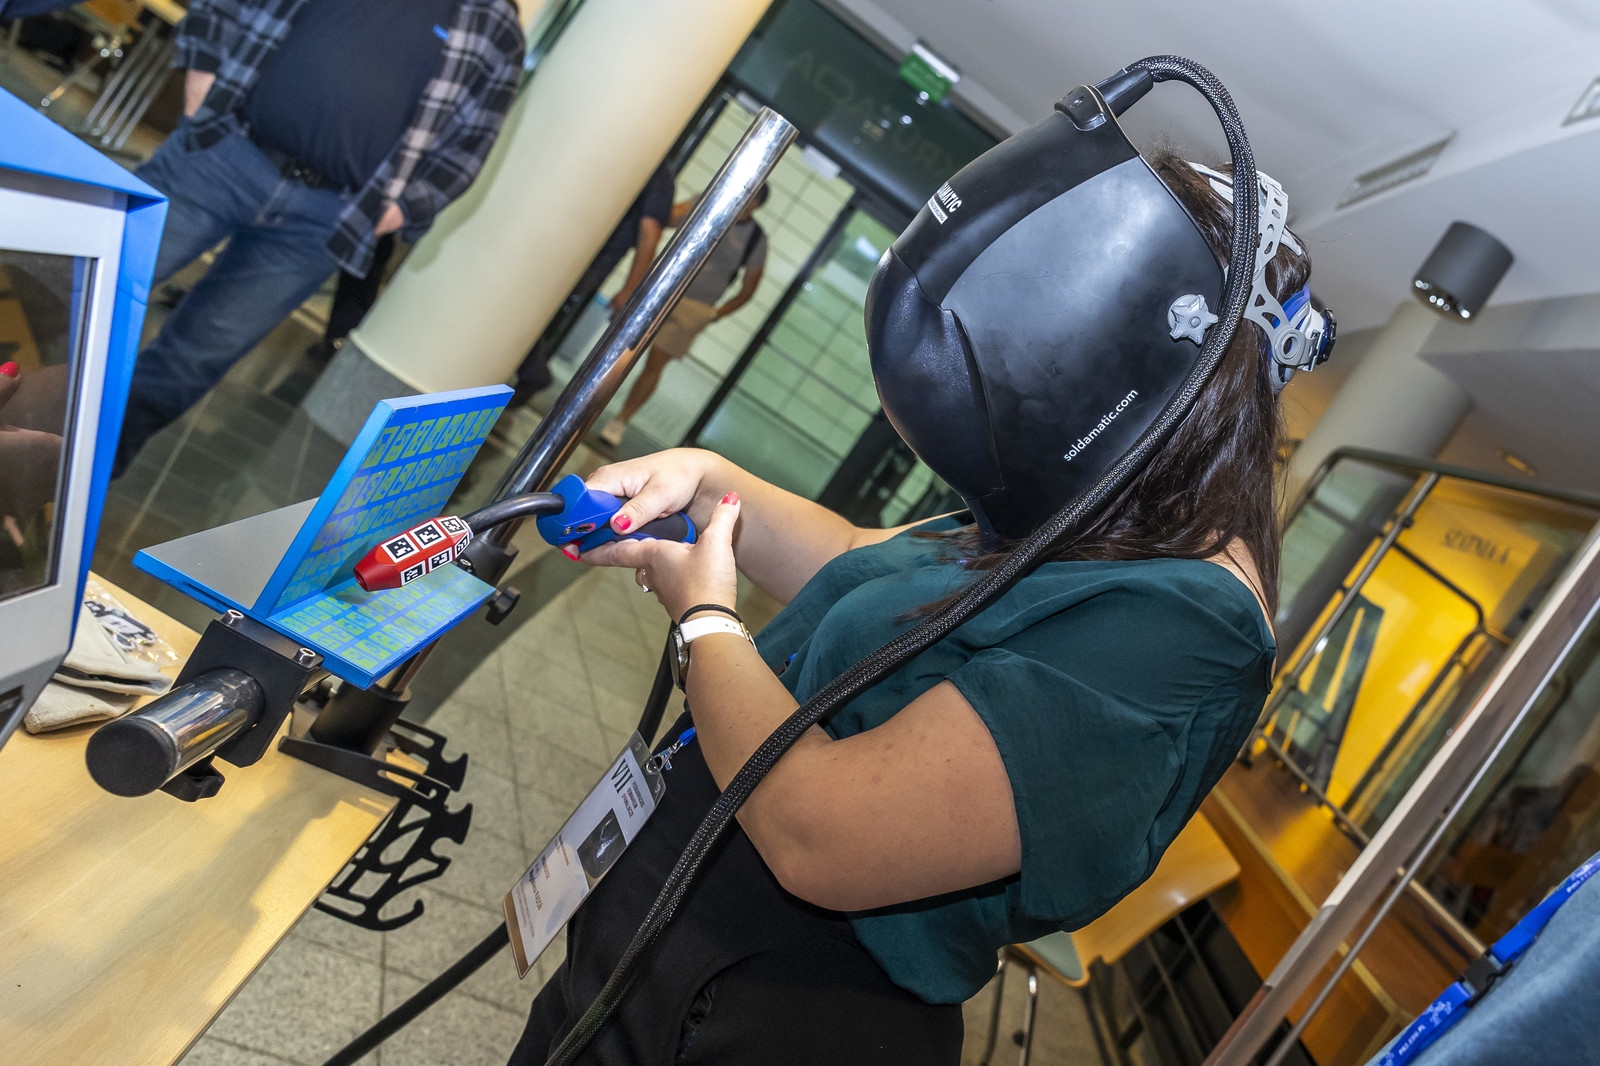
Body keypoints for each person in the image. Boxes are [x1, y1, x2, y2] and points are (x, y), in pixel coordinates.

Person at [508, 149, 1311, 1064]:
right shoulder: (1085, 515)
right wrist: (710, 484)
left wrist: (706, 625)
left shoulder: (1188, 629)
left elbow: (821, 831)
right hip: (662, 931)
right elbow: (864, 564)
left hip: (769, 1004)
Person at [112, 0, 525, 474]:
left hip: (325, 220)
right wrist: (201, 74)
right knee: (90, 283)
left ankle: (82, 468)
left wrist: (396, 211)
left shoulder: (495, 25)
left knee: (192, 360)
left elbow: (469, 148)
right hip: (221, 155)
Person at [595, 183, 768, 448]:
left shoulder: (756, 239)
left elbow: (748, 290)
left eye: (751, 194)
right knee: (621, 349)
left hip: (695, 307)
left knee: (655, 364)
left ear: (757, 204)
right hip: (663, 286)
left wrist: (714, 315)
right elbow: (668, 218)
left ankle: (620, 420)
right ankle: (590, 403)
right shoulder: (709, 202)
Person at [509, 161, 677, 408]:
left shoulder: (659, 177)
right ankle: (531, 371)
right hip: (579, 252)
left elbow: (649, 235)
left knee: (529, 309)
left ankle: (533, 372)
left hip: (592, 260)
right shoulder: (639, 165)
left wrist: (629, 290)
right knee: (532, 310)